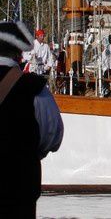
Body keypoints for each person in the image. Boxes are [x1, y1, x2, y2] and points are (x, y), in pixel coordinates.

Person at [0, 21, 64, 218]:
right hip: (20, 184)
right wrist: (29, 151)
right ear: (20, 53)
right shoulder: (34, 88)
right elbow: (53, 135)